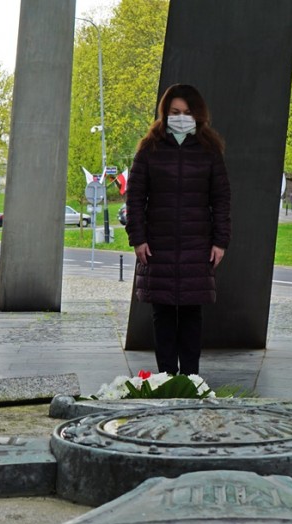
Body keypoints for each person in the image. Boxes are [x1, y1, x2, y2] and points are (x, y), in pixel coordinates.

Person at [125, 84, 232, 376]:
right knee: (162, 315)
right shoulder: (149, 148)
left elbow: (221, 199)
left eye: (187, 112)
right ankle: (166, 379)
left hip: (197, 246)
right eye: (175, 112)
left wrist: (220, 241)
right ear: (165, 113)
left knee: (191, 314)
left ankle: (191, 381)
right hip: (157, 246)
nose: (181, 117)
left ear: (197, 115)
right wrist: (138, 239)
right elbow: (135, 198)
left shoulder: (210, 150)